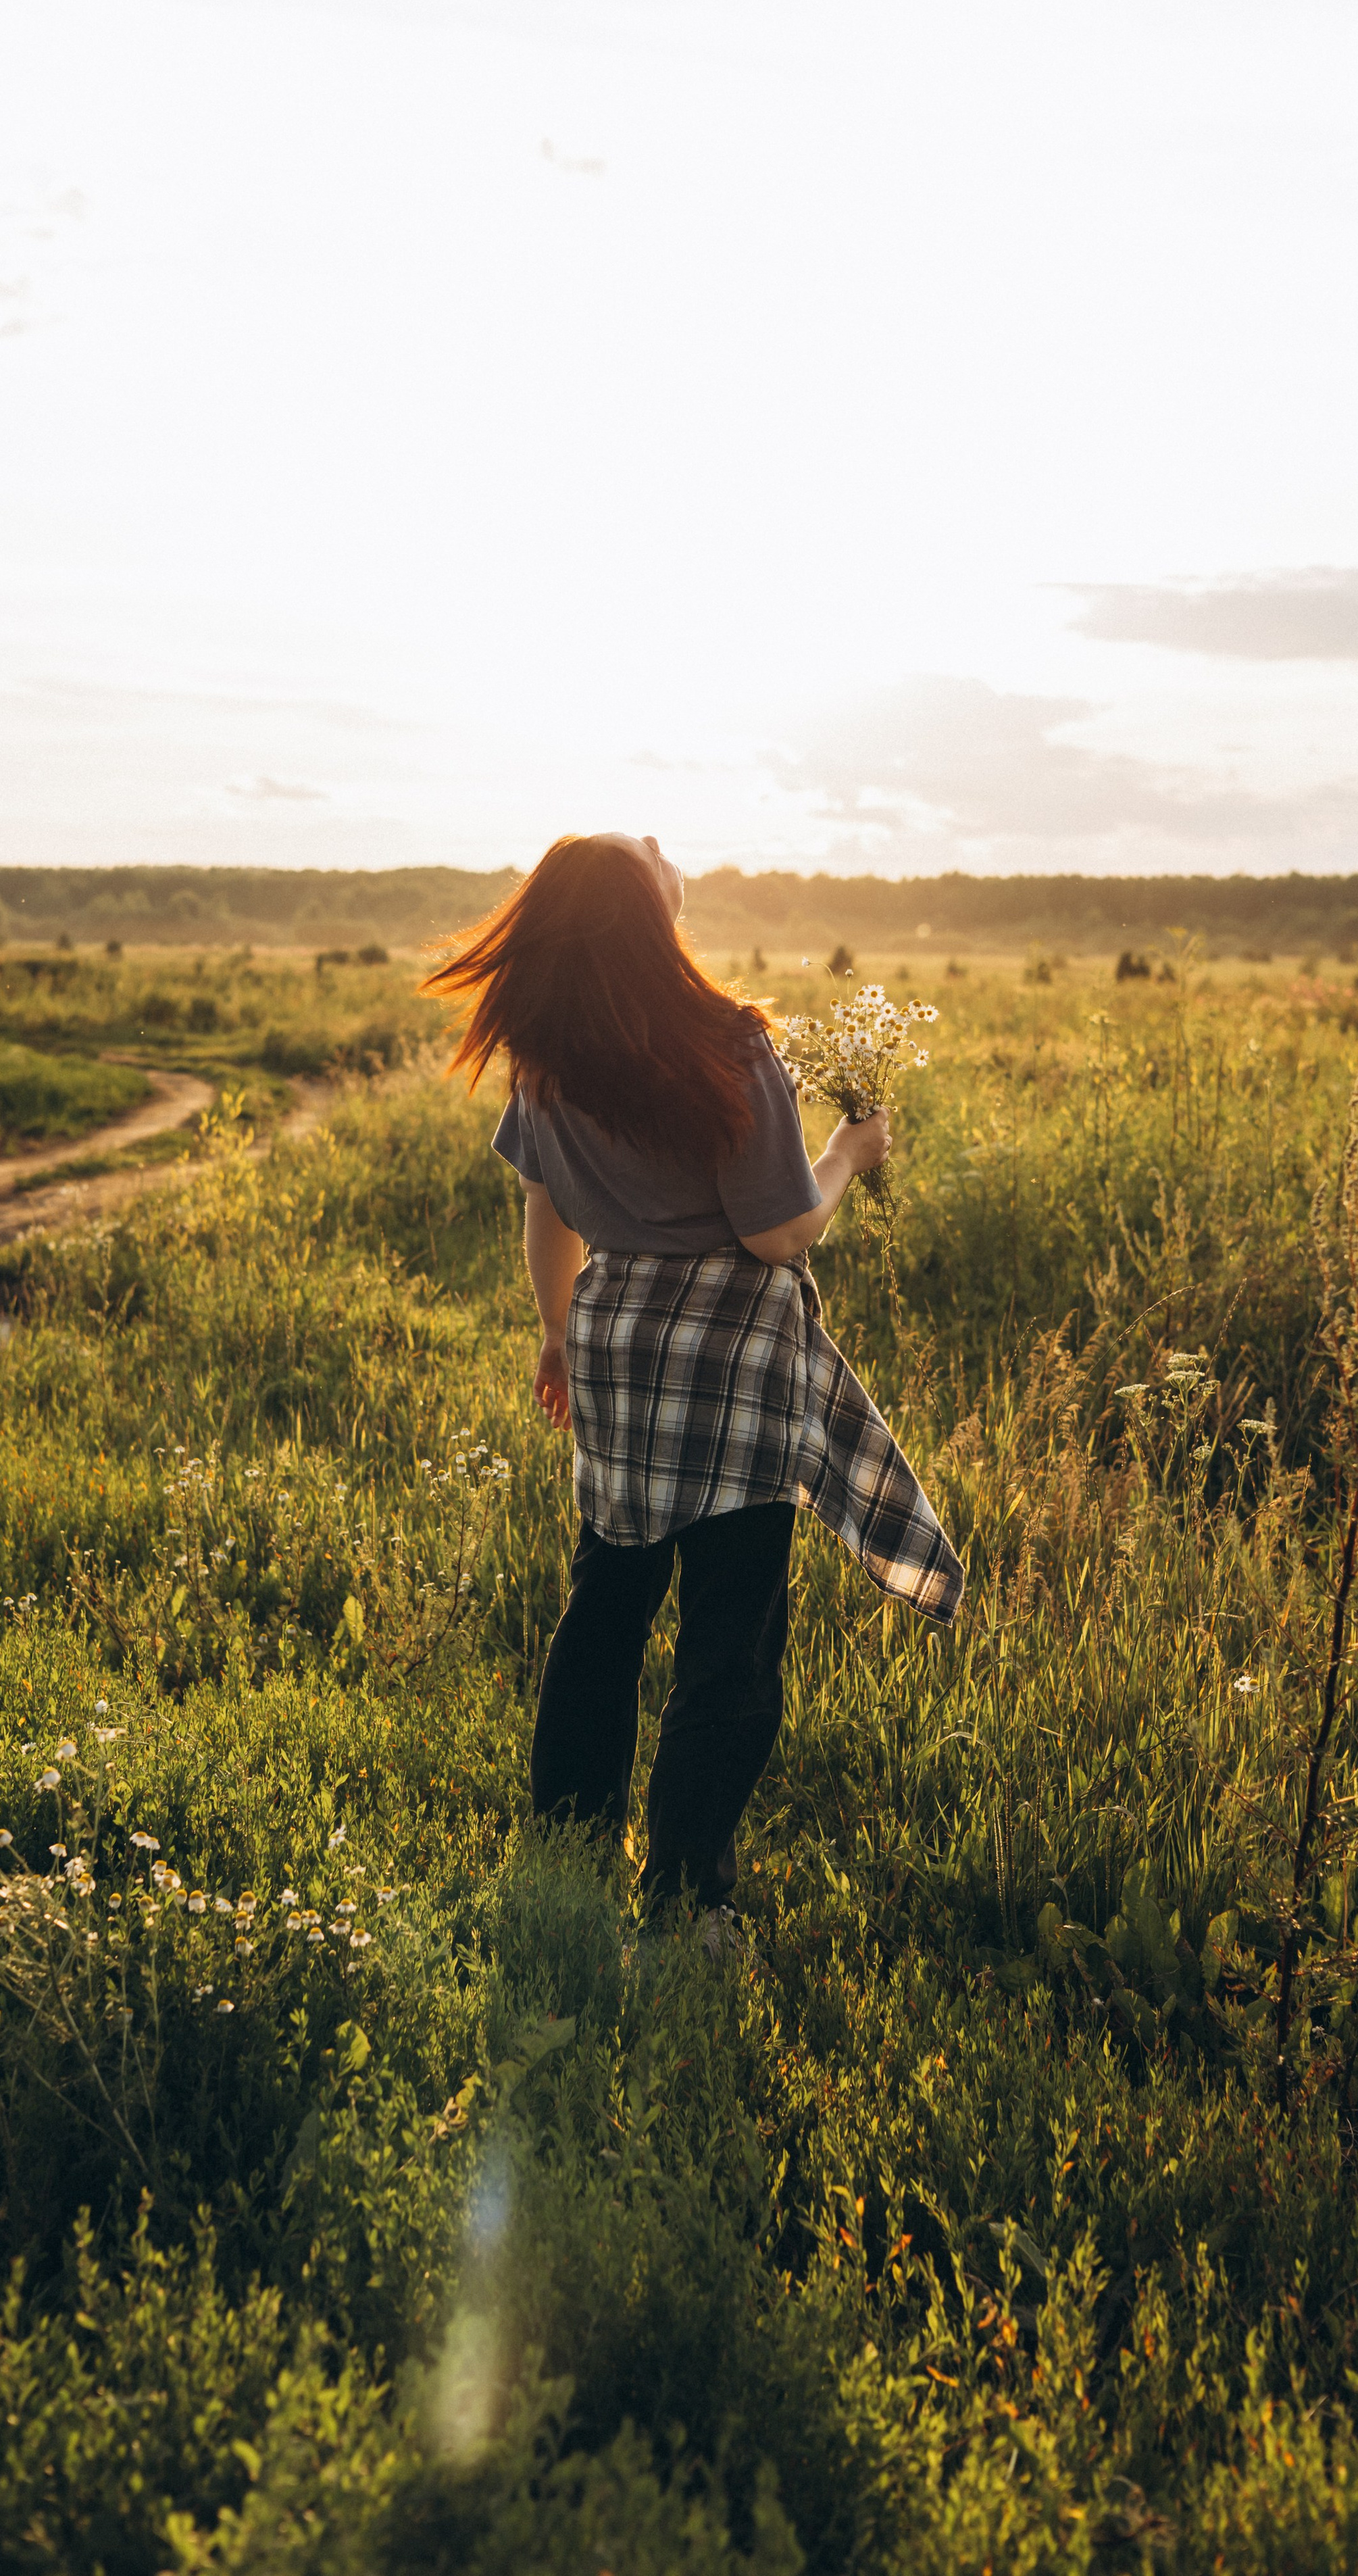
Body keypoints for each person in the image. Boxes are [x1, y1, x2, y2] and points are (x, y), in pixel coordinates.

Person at [423, 833, 963, 1946]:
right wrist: (851, 1154)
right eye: (649, 852)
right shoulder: (730, 1042)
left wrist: (563, 1334)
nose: (668, 850)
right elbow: (777, 1236)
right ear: (647, 913)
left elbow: (545, 1211)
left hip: (617, 1344)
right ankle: (684, 1904)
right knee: (731, 1643)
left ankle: (567, 1861)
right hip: (729, 1361)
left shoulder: (543, 1051)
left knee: (605, 1611)